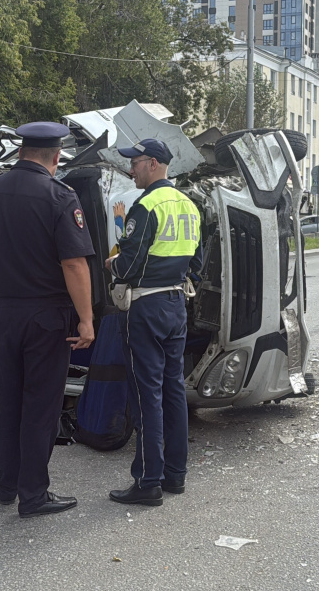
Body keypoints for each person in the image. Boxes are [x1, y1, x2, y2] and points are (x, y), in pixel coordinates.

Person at [0, 121, 95, 518]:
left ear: (20, 152)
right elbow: (74, 264)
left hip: (5, 313)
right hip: (46, 317)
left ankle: (7, 486)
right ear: (56, 157)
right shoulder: (60, 196)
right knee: (40, 403)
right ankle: (33, 494)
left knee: (8, 399)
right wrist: (86, 319)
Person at [104, 138, 202, 506]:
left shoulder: (146, 206)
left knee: (148, 394)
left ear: (154, 164)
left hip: (145, 307)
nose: (131, 169)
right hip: (176, 305)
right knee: (173, 390)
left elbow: (128, 265)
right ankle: (175, 475)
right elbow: (197, 263)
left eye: (136, 162)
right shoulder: (189, 205)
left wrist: (113, 264)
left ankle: (148, 482)